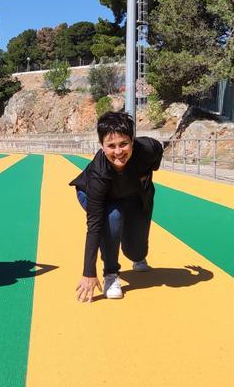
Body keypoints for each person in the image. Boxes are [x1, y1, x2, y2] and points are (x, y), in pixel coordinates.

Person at [70, 111, 164, 302]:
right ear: (101, 146)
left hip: (132, 193)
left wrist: (144, 177)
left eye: (123, 144)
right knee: (112, 217)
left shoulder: (148, 149)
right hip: (97, 195)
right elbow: (94, 225)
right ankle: (111, 274)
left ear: (132, 141)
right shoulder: (99, 175)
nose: (118, 152)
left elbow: (157, 153)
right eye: (111, 146)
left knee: (137, 252)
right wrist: (89, 272)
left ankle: (136, 255)